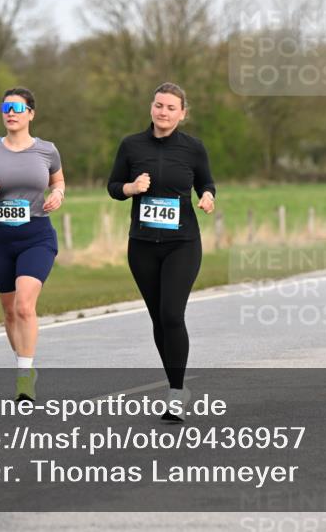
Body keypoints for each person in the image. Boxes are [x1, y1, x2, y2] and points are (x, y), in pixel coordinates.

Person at [107, 82, 215, 423]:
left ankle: (177, 392)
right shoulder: (131, 145)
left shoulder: (193, 148)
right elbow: (113, 187)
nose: (163, 112)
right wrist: (131, 188)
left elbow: (206, 182)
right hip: (141, 245)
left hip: (182, 244)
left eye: (170, 107)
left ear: (182, 113)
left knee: (171, 314)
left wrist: (208, 197)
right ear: (150, 108)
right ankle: (175, 385)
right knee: (157, 318)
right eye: (158, 105)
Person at [0, 87, 64, 402]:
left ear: (31, 114)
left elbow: (58, 181)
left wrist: (58, 194)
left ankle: (24, 377)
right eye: (5, 107)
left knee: (24, 306)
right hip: (0, 238)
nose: (10, 113)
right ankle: (24, 365)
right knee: (9, 312)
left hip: (36, 235)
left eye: (17, 108)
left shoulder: (47, 150)